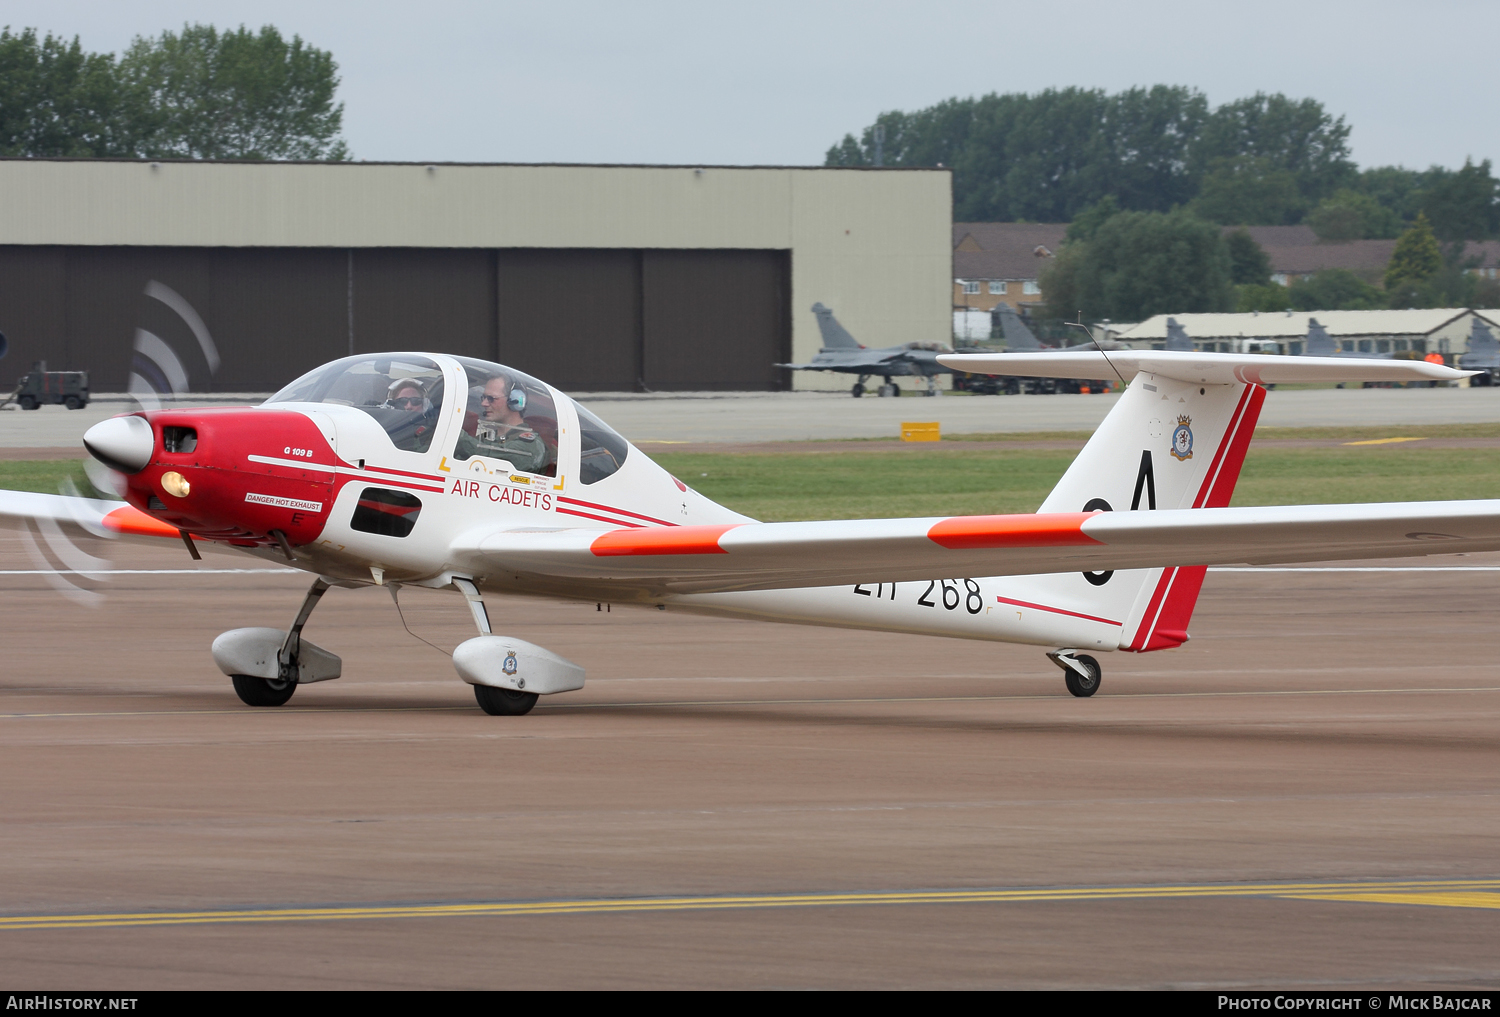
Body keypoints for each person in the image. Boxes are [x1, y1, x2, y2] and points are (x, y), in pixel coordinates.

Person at [454, 373, 551, 473]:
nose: (484, 403)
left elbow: (487, 457)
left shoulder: (530, 446)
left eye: (491, 399)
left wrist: (453, 432)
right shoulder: (487, 438)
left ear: (515, 400)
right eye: (484, 398)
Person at [383, 378, 438, 452]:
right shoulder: (383, 428)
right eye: (402, 401)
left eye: (415, 401)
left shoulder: (435, 429)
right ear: (392, 405)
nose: (409, 406)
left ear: (425, 404)